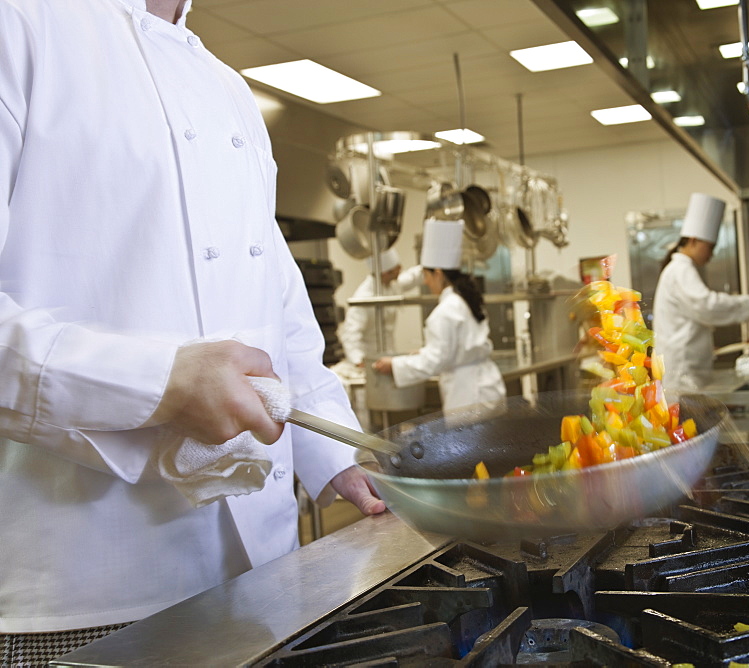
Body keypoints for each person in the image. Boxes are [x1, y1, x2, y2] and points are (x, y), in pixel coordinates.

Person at [0, 0, 383, 662]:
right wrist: (160, 384)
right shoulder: (22, 23)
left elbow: (280, 306)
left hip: (266, 565)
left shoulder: (229, 88)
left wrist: (339, 457)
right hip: (90, 586)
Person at [372, 219, 506, 414]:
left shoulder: (445, 311)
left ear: (438, 273)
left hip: (468, 396)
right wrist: (424, 351)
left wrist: (395, 364)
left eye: (426, 275)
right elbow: (453, 348)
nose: (426, 282)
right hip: (488, 387)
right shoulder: (465, 300)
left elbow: (434, 362)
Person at [653, 193, 749, 391]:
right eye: (710, 247)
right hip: (682, 373)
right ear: (693, 241)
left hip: (686, 369)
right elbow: (706, 306)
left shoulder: (681, 270)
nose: (712, 254)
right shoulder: (681, 270)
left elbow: (696, 314)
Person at [338, 248, 423, 368]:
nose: (401, 269)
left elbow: (412, 277)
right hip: (371, 360)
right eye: (396, 269)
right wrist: (359, 362)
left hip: (389, 356)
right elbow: (350, 335)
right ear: (385, 273)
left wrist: (430, 266)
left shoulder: (391, 284)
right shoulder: (364, 297)